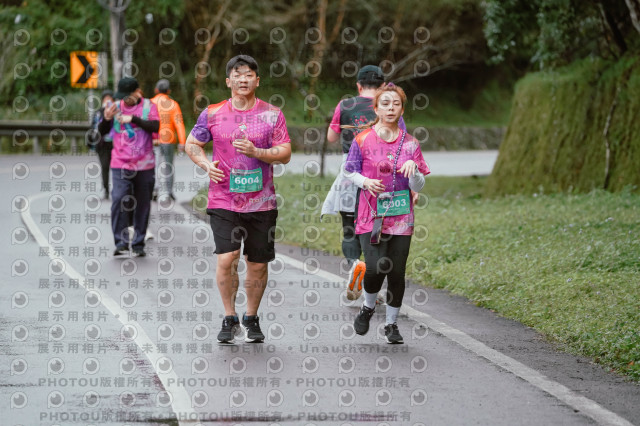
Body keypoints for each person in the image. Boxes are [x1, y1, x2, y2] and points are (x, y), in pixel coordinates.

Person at [185, 55, 291, 343]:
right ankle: (229, 316)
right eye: (237, 74)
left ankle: (251, 317)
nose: (243, 79)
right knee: (227, 257)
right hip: (223, 198)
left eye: (249, 74)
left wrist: (258, 152)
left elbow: (285, 153)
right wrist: (205, 165)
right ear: (228, 81)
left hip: (262, 202)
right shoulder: (212, 113)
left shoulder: (272, 114)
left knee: (257, 263)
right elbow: (192, 144)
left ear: (257, 80)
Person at [344, 84, 429, 344]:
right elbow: (349, 171)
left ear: (402, 110)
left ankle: (391, 324)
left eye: (396, 104)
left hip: (401, 217)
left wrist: (414, 170)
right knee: (376, 266)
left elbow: (419, 186)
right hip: (371, 215)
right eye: (385, 104)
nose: (390, 108)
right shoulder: (363, 139)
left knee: (396, 272)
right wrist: (365, 182)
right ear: (376, 108)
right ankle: (368, 307)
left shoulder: (411, 143)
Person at [321, 65, 406, 301]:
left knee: (349, 229)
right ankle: (371, 284)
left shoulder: (345, 105)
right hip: (381, 178)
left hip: (350, 174)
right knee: (374, 233)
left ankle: (354, 265)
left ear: (359, 86)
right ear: (382, 86)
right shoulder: (389, 106)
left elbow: (331, 137)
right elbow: (401, 144)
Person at [99, 77, 159, 257]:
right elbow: (102, 131)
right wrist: (106, 119)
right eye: (122, 96)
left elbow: (155, 126)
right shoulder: (115, 106)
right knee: (119, 199)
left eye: (128, 95)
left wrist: (133, 118)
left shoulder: (149, 106)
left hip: (145, 164)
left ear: (137, 92)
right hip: (120, 163)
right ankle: (120, 242)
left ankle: (138, 243)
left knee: (143, 203)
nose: (124, 99)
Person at [150, 79, 186, 201]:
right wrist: (182, 142)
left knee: (154, 165)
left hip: (153, 140)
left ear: (156, 90)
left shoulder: (150, 103)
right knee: (168, 166)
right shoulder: (173, 104)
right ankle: (169, 192)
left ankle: (154, 190)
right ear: (169, 91)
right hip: (168, 140)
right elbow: (179, 124)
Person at [89, 90, 115, 200]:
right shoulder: (98, 113)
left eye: (110, 99)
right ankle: (106, 190)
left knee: (117, 168)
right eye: (106, 99)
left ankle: (118, 190)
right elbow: (95, 129)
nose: (108, 101)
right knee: (105, 167)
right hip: (103, 145)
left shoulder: (117, 112)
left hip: (115, 144)